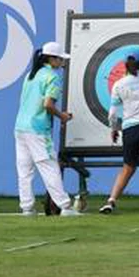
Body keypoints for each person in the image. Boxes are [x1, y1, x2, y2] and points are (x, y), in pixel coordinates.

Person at [14, 42, 81, 216]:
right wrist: (63, 116)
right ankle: (65, 206)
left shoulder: (31, 74)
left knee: (24, 169)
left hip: (20, 127)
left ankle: (27, 208)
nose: (62, 63)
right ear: (52, 58)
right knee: (49, 166)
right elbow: (48, 105)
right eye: (60, 59)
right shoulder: (52, 77)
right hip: (37, 129)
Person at [99, 49, 139, 214]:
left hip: (130, 130)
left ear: (125, 64)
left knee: (128, 167)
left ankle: (111, 201)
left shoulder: (119, 85)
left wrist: (114, 129)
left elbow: (112, 114)